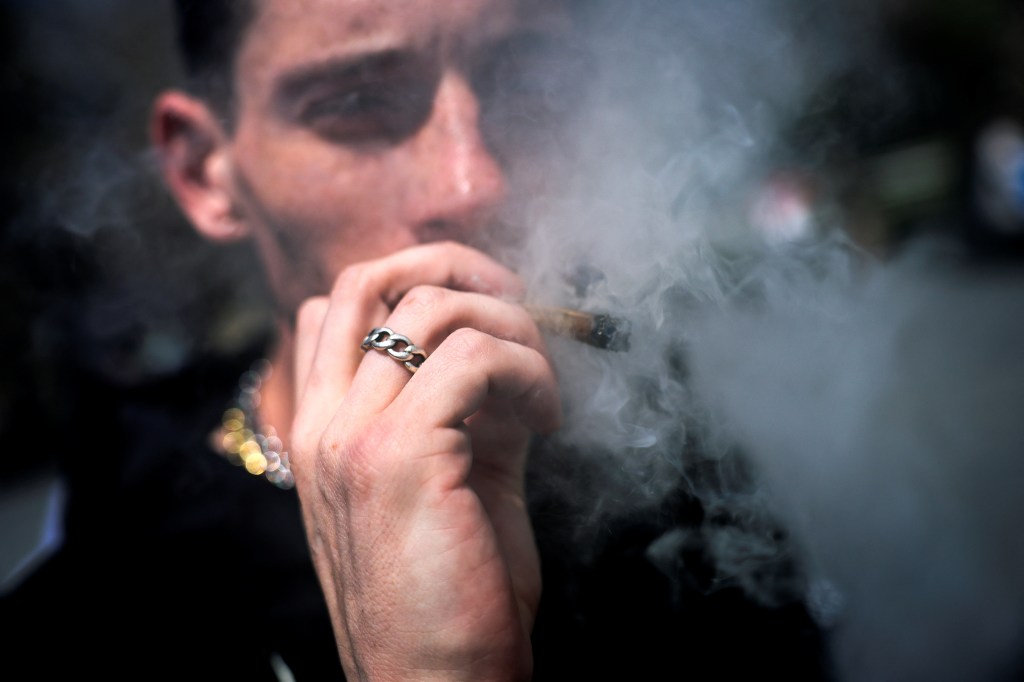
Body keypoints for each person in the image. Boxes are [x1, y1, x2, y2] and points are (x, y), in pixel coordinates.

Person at [0, 1, 832, 679]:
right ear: (205, 172)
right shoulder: (96, 619)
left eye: (528, 80)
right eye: (356, 102)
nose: (474, 186)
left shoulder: (690, 499)